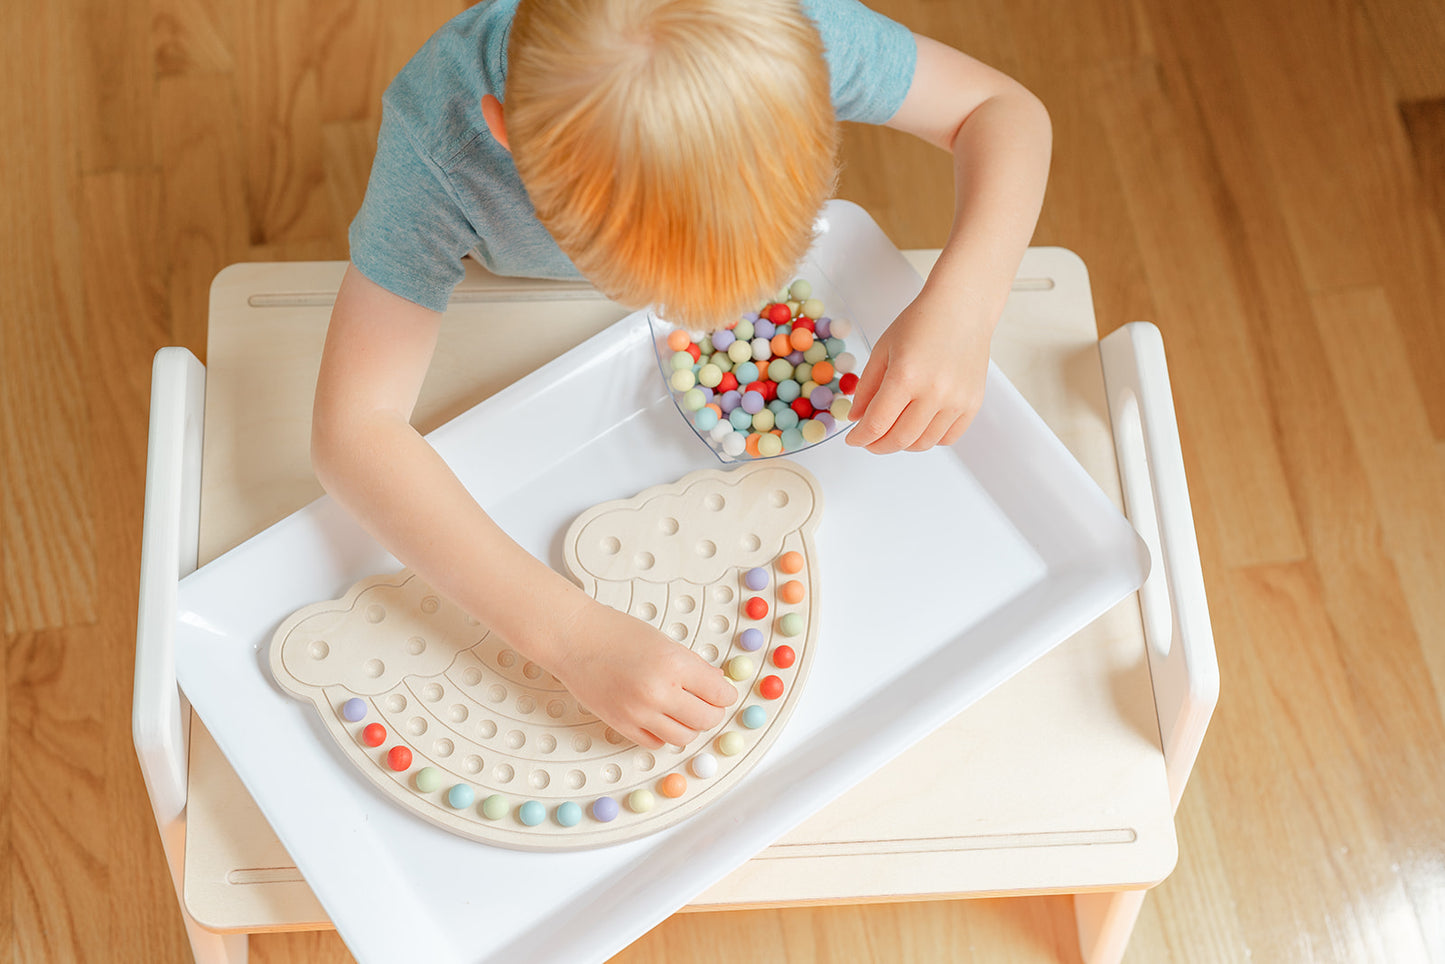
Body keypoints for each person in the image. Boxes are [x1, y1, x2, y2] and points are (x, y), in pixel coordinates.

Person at [313, 0, 1051, 750]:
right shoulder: (437, 143)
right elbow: (353, 431)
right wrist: (569, 635)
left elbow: (1000, 110)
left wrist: (966, 303)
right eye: (650, 285)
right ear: (505, 134)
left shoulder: (795, 32)